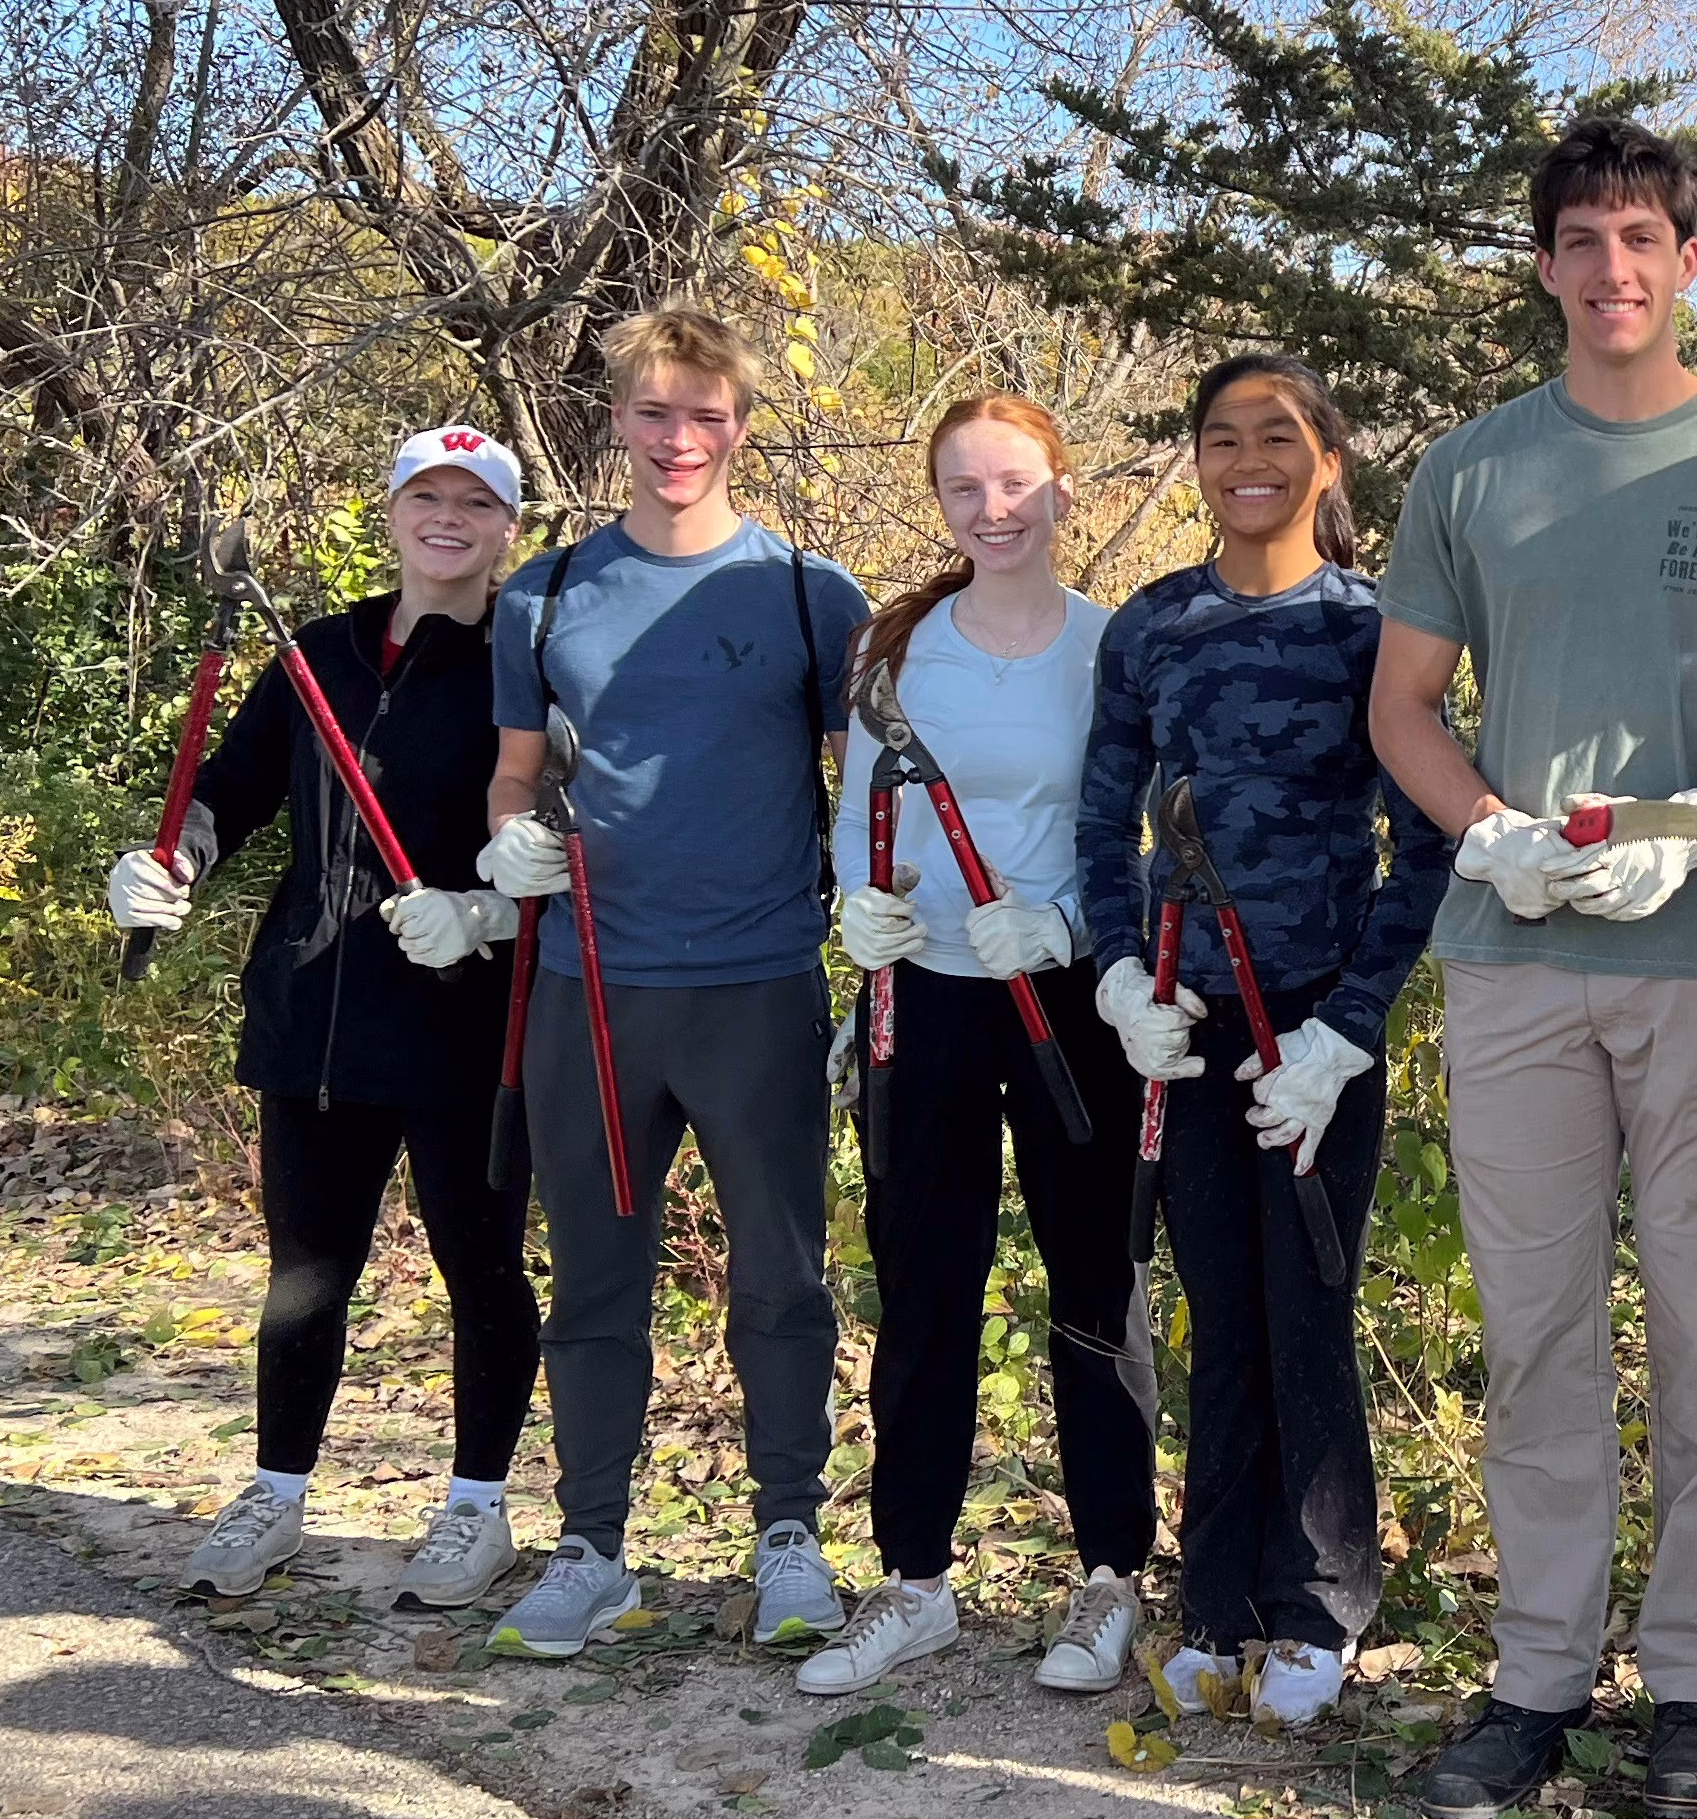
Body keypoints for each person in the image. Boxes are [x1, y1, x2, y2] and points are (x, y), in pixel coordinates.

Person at [1370, 114, 1697, 1819]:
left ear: (1688, 259)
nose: (1612, 266)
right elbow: (1401, 702)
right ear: (1542, 263)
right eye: (1580, 236)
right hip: (1513, 951)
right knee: (1536, 1327)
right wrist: (1487, 830)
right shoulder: (1474, 467)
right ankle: (1536, 1673)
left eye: (1642, 234)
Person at [476, 307, 872, 1661]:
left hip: (757, 983)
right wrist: (508, 841)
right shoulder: (544, 593)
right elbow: (519, 771)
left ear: (741, 427)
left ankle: (788, 1537)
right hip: (590, 988)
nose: (677, 439)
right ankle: (592, 1544)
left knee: (780, 1275)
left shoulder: (811, 596)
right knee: (593, 1274)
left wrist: (888, 918)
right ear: (618, 424)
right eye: (654, 413)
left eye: (704, 415)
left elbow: (867, 782)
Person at [103, 426, 545, 1609]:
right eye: (425, 497)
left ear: (509, 528)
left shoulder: (528, 663)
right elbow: (229, 790)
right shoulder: (315, 654)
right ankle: (276, 1488)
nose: (446, 519)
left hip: (464, 1015)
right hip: (317, 1013)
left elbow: (567, 832)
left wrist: (490, 913)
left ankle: (475, 1509)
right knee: (306, 1268)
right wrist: (171, 859)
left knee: (480, 1264)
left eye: (474, 502)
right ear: (393, 512)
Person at [1078, 354, 1451, 1729]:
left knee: (1308, 1310)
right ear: (1195, 460)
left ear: (1329, 460)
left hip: (1313, 1031)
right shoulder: (1153, 625)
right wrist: (1120, 973)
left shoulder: (1373, 628)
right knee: (1217, 1310)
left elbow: (1426, 848)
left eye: (1279, 435)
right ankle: (1216, 1597)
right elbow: (1101, 820)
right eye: (1222, 436)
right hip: (1186, 1021)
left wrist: (1350, 1029)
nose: (1249, 458)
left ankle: (1320, 1599)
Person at [787, 395, 1150, 1699]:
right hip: (922, 1000)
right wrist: (859, 908)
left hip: (1061, 1003)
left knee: (1092, 1289)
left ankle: (1110, 1576)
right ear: (938, 502)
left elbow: (1144, 834)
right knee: (925, 1292)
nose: (993, 510)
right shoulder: (897, 650)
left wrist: (1064, 921)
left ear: (1062, 486)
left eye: (1015, 484)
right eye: (964, 489)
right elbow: (860, 812)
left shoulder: (1116, 649)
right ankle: (915, 1583)